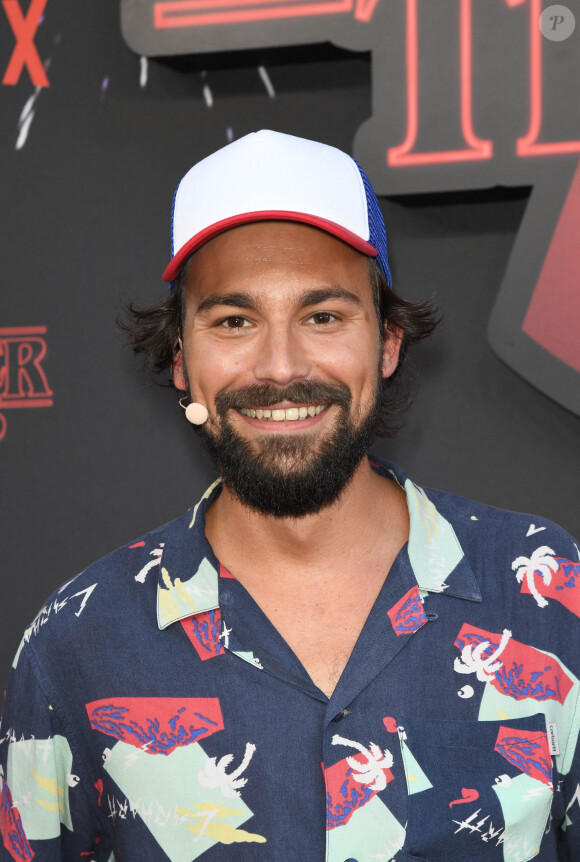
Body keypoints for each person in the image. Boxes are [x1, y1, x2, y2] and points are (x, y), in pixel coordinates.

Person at [1, 130, 579, 862]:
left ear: (389, 343)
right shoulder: (78, 645)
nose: (279, 367)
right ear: (181, 359)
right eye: (235, 321)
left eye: (323, 316)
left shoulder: (548, 594)